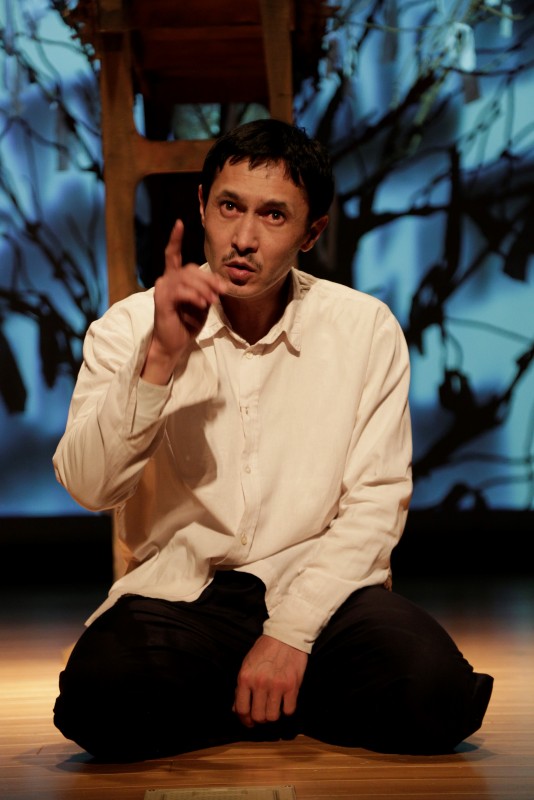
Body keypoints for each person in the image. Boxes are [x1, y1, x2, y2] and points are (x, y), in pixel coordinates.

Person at [52, 118, 493, 762]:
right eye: (229, 206)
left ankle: (256, 688)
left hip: (322, 591)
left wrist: (291, 634)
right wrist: (158, 361)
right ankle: (278, 699)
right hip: (186, 595)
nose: (243, 237)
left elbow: (374, 504)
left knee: (437, 693)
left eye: (274, 215)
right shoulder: (129, 327)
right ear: (202, 204)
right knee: (97, 697)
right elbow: (89, 487)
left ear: (312, 232)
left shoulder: (363, 328)